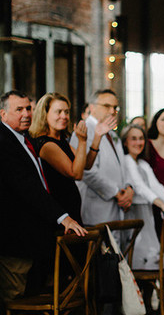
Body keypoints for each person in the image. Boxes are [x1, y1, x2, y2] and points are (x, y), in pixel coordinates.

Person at [0, 91, 85, 315]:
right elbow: (27, 188)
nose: (25, 113)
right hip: (14, 237)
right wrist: (63, 217)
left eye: (27, 108)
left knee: (27, 293)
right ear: (3, 114)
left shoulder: (22, 140)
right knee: (14, 296)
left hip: (32, 235)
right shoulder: (4, 140)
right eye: (18, 109)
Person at [29, 92, 115, 222]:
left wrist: (97, 137)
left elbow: (86, 164)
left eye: (66, 112)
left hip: (72, 207)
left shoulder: (62, 141)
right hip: (60, 208)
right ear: (45, 114)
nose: (64, 116)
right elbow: (76, 174)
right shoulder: (45, 144)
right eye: (58, 112)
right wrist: (82, 142)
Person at [121, 124, 164, 269]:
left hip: (146, 213)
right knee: (138, 258)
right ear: (125, 142)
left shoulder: (143, 163)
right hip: (133, 214)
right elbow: (140, 187)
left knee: (154, 258)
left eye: (141, 138)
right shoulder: (126, 160)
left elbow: (156, 186)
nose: (138, 142)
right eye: (133, 139)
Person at [71, 89, 134, 226]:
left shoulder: (112, 134)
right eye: (107, 106)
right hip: (96, 206)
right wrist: (117, 193)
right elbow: (86, 171)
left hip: (118, 207)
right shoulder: (83, 129)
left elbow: (122, 166)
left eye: (115, 108)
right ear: (92, 107)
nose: (112, 111)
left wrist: (129, 188)